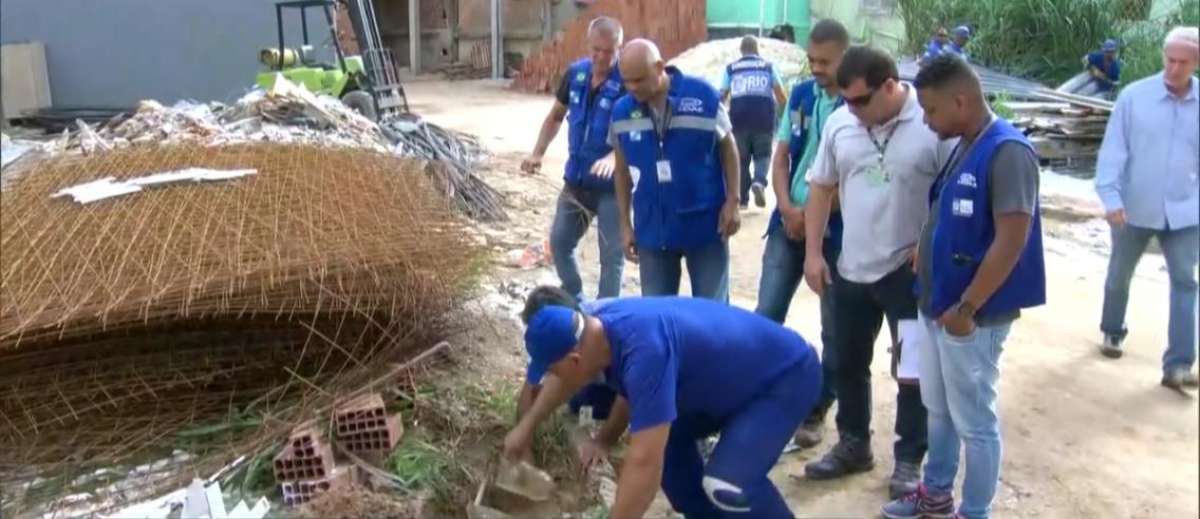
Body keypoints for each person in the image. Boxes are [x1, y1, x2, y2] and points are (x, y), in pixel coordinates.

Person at [881, 53, 1046, 519]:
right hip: (938, 307)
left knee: (975, 421)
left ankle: (975, 512)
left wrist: (968, 307)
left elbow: (1012, 239)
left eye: (931, 110)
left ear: (960, 101)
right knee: (939, 410)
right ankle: (935, 493)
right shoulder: (965, 144)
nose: (926, 120)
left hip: (972, 317)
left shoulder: (1008, 151)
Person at [502, 290, 822, 518]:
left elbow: (644, 462)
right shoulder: (595, 326)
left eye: (554, 371)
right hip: (723, 385)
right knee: (674, 465)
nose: (556, 380)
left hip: (784, 377)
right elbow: (608, 389)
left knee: (728, 484)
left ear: (575, 360)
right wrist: (525, 428)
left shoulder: (645, 352)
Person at [802, 45, 956, 498]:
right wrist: (813, 253)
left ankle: (909, 459)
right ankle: (853, 445)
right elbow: (821, 188)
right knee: (847, 362)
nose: (852, 109)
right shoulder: (840, 124)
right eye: (846, 100)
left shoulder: (930, 122)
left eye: (861, 100)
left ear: (890, 86)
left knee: (912, 368)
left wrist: (930, 240)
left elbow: (952, 190)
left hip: (907, 274)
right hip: (851, 268)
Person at [755, 18, 849, 450]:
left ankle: (817, 408)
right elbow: (780, 158)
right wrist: (787, 208)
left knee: (835, 329)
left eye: (825, 62)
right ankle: (755, 396)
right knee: (766, 315)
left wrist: (812, 216)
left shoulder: (858, 106)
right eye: (812, 60)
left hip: (836, 232)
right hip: (787, 222)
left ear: (846, 58)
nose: (816, 68)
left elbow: (856, 180)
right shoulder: (801, 95)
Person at [1094, 26, 1199, 391]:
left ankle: (1179, 365)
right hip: (1133, 207)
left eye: (1183, 62)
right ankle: (1112, 329)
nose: (1174, 68)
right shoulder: (1134, 98)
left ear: (1196, 63)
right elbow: (1114, 151)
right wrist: (1111, 198)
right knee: (1120, 273)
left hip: (1185, 211)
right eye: (1170, 60)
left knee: (1186, 281)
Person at [610, 39, 741, 301]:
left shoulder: (703, 97)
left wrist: (733, 201)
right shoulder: (622, 112)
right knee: (658, 315)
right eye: (626, 81)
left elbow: (729, 148)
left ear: (659, 67)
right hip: (653, 231)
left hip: (706, 228)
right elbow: (622, 172)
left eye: (639, 80)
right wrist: (625, 224)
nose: (632, 88)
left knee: (711, 314)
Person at [521, 17, 626, 302]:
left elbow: (637, 135)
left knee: (611, 256)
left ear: (619, 48)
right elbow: (556, 116)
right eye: (596, 49)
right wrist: (537, 152)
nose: (601, 57)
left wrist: (614, 158)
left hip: (613, 189)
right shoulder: (576, 75)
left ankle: (606, 313)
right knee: (560, 242)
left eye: (609, 51)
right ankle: (576, 296)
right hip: (576, 181)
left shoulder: (628, 82)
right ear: (587, 44)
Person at [720, 35, 788, 208]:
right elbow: (780, 94)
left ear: (741, 51)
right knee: (763, 154)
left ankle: (743, 200)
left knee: (741, 158)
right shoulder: (768, 67)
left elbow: (722, 95)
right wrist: (785, 115)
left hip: (738, 119)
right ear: (757, 50)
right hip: (763, 118)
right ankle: (759, 181)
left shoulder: (731, 69)